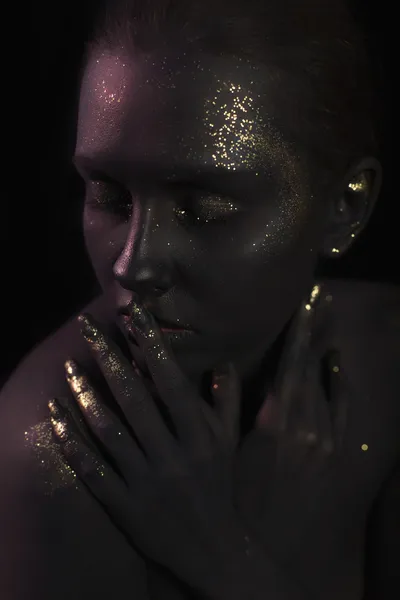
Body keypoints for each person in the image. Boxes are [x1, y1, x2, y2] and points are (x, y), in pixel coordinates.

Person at [0, 0, 399, 598]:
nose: (133, 263)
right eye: (108, 195)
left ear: (345, 206)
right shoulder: (55, 454)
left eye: (204, 209)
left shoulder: (385, 360)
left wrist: (228, 561)